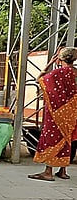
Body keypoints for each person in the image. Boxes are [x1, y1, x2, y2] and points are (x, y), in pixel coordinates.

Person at [28, 46, 77, 181]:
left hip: (56, 113)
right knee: (66, 139)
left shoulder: (58, 73)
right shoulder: (75, 73)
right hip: (72, 113)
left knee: (52, 138)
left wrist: (49, 64)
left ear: (60, 59)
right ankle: (62, 171)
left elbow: (40, 79)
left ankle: (48, 172)